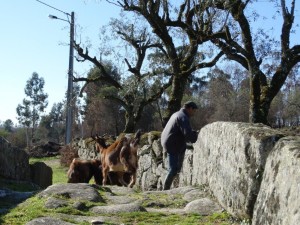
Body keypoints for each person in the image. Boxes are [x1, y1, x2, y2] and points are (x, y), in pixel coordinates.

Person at [161, 101, 199, 190]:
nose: (194, 113)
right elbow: (188, 135)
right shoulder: (183, 117)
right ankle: (165, 189)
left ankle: (168, 185)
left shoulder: (177, 114)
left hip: (170, 141)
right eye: (194, 111)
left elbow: (183, 131)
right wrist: (196, 135)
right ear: (190, 108)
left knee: (176, 168)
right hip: (172, 144)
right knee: (173, 169)